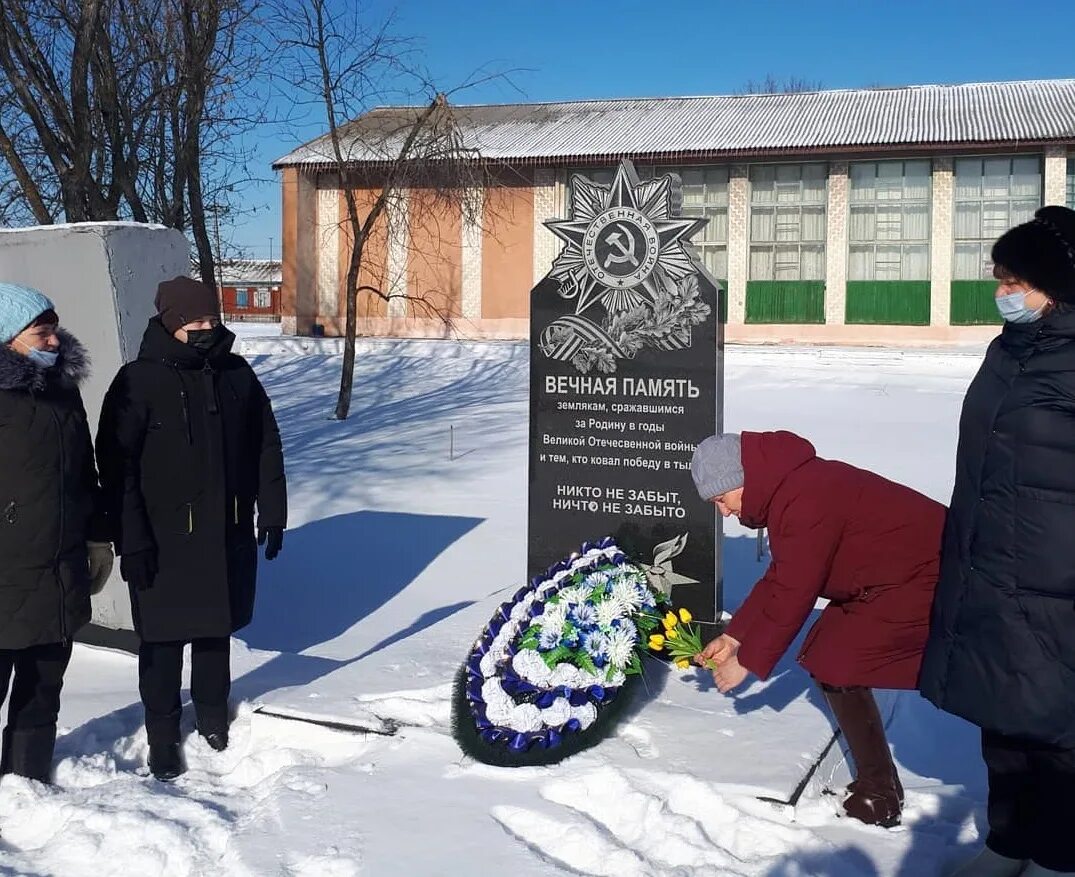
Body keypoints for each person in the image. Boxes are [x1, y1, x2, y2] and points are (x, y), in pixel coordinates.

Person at [920, 205, 1075, 877]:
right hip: (990, 564)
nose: (1001, 291)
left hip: (1057, 578)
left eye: (1014, 279)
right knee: (1003, 716)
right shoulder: (1008, 348)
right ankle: (1009, 842)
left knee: (1059, 728)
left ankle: (1057, 853)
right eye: (997, 276)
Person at [690, 430, 945, 828]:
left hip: (926, 576)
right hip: (887, 581)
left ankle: (880, 794)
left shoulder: (805, 499)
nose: (723, 513)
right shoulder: (791, 488)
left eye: (721, 500)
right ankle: (879, 786)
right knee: (828, 655)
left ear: (741, 481)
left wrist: (748, 662)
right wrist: (734, 635)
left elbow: (795, 591)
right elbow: (782, 574)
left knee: (838, 659)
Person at [97, 276, 286, 782]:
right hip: (159, 540)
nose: (206, 329)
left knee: (213, 635)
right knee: (161, 643)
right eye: (194, 322)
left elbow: (265, 443)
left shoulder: (237, 374)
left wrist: (272, 508)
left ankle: (212, 720)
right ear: (170, 323)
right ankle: (161, 734)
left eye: (211, 320)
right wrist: (129, 539)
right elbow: (117, 470)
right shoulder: (136, 381)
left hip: (224, 532)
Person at [0, 282, 113, 782]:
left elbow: (83, 473)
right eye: (41, 333)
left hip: (59, 567)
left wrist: (96, 537)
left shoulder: (63, 392)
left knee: (43, 687)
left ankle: (26, 783)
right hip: (5, 572)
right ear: (8, 338)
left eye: (53, 330)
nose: (53, 341)